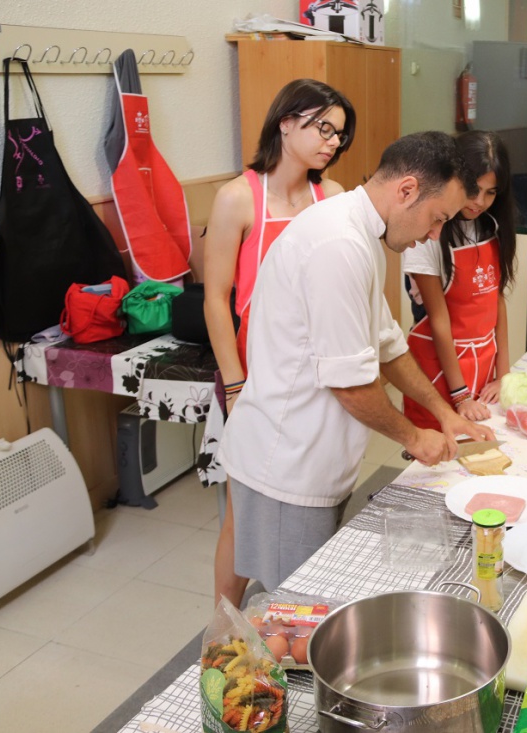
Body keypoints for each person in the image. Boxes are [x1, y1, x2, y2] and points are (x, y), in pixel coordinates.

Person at [217, 131, 494, 593]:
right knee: (293, 613)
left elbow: (387, 346)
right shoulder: (338, 243)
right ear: (406, 190)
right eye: (436, 219)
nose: (433, 234)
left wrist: (445, 414)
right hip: (288, 465)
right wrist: (413, 436)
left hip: (315, 458)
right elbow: (349, 386)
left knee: (296, 603)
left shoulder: (363, 234)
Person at [201, 79, 356, 608]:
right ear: (285, 122)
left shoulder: (330, 198)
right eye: (322, 128)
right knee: (240, 516)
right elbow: (216, 299)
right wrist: (236, 386)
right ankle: (223, 627)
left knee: (304, 507)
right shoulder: (237, 198)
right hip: (251, 378)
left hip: (309, 382)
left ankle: (291, 620)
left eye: (338, 133)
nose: (332, 142)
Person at [402, 130, 517, 429]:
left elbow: (497, 303)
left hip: (482, 365)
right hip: (440, 374)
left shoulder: (490, 227)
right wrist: (460, 395)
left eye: (491, 193)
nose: (479, 202)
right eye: (473, 189)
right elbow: (439, 321)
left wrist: (502, 375)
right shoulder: (428, 234)